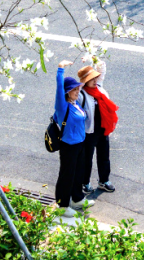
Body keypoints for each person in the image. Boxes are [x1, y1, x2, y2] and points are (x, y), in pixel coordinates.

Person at [77, 61, 119, 195]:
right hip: (89, 133)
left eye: (96, 77)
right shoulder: (81, 95)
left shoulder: (99, 88)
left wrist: (95, 58)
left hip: (102, 130)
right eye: (91, 79)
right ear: (85, 81)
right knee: (87, 159)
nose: (95, 80)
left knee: (104, 157)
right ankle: (85, 183)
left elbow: (102, 69)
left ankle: (104, 181)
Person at [53, 60, 88, 218]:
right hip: (69, 146)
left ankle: (77, 198)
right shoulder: (63, 106)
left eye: (77, 88)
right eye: (73, 89)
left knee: (78, 172)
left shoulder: (75, 104)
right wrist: (61, 69)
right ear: (67, 92)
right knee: (67, 175)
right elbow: (59, 89)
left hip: (79, 144)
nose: (77, 91)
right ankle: (62, 205)